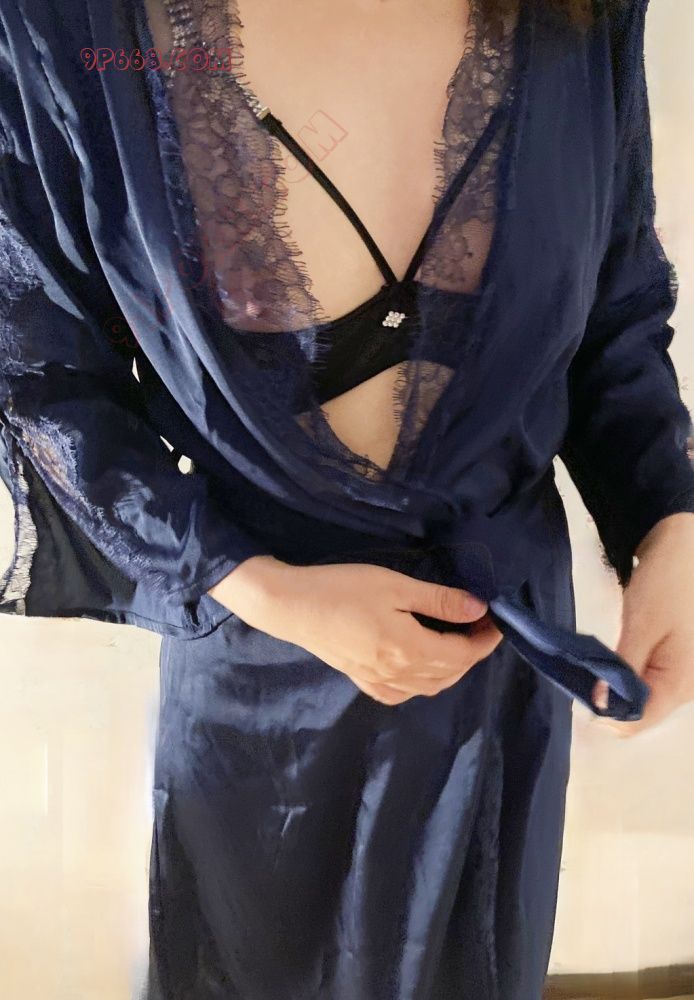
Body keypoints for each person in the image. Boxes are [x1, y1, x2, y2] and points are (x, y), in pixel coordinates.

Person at [1, 0, 693, 997]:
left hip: (495, 672)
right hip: (259, 684)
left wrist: (667, 524)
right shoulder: (69, 31)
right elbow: (40, 375)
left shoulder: (580, 17)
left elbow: (615, 311)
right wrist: (257, 586)